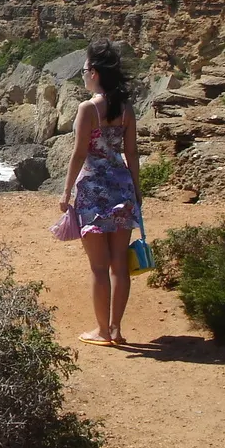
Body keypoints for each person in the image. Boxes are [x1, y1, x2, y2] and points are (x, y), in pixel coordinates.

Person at [60, 40, 140, 346]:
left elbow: (79, 154)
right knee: (120, 262)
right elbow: (132, 153)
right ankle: (117, 329)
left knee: (98, 266)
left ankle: (102, 331)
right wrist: (137, 189)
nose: (82, 75)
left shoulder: (88, 108)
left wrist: (66, 191)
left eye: (84, 70)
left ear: (94, 73)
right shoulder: (126, 109)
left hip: (93, 189)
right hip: (122, 185)